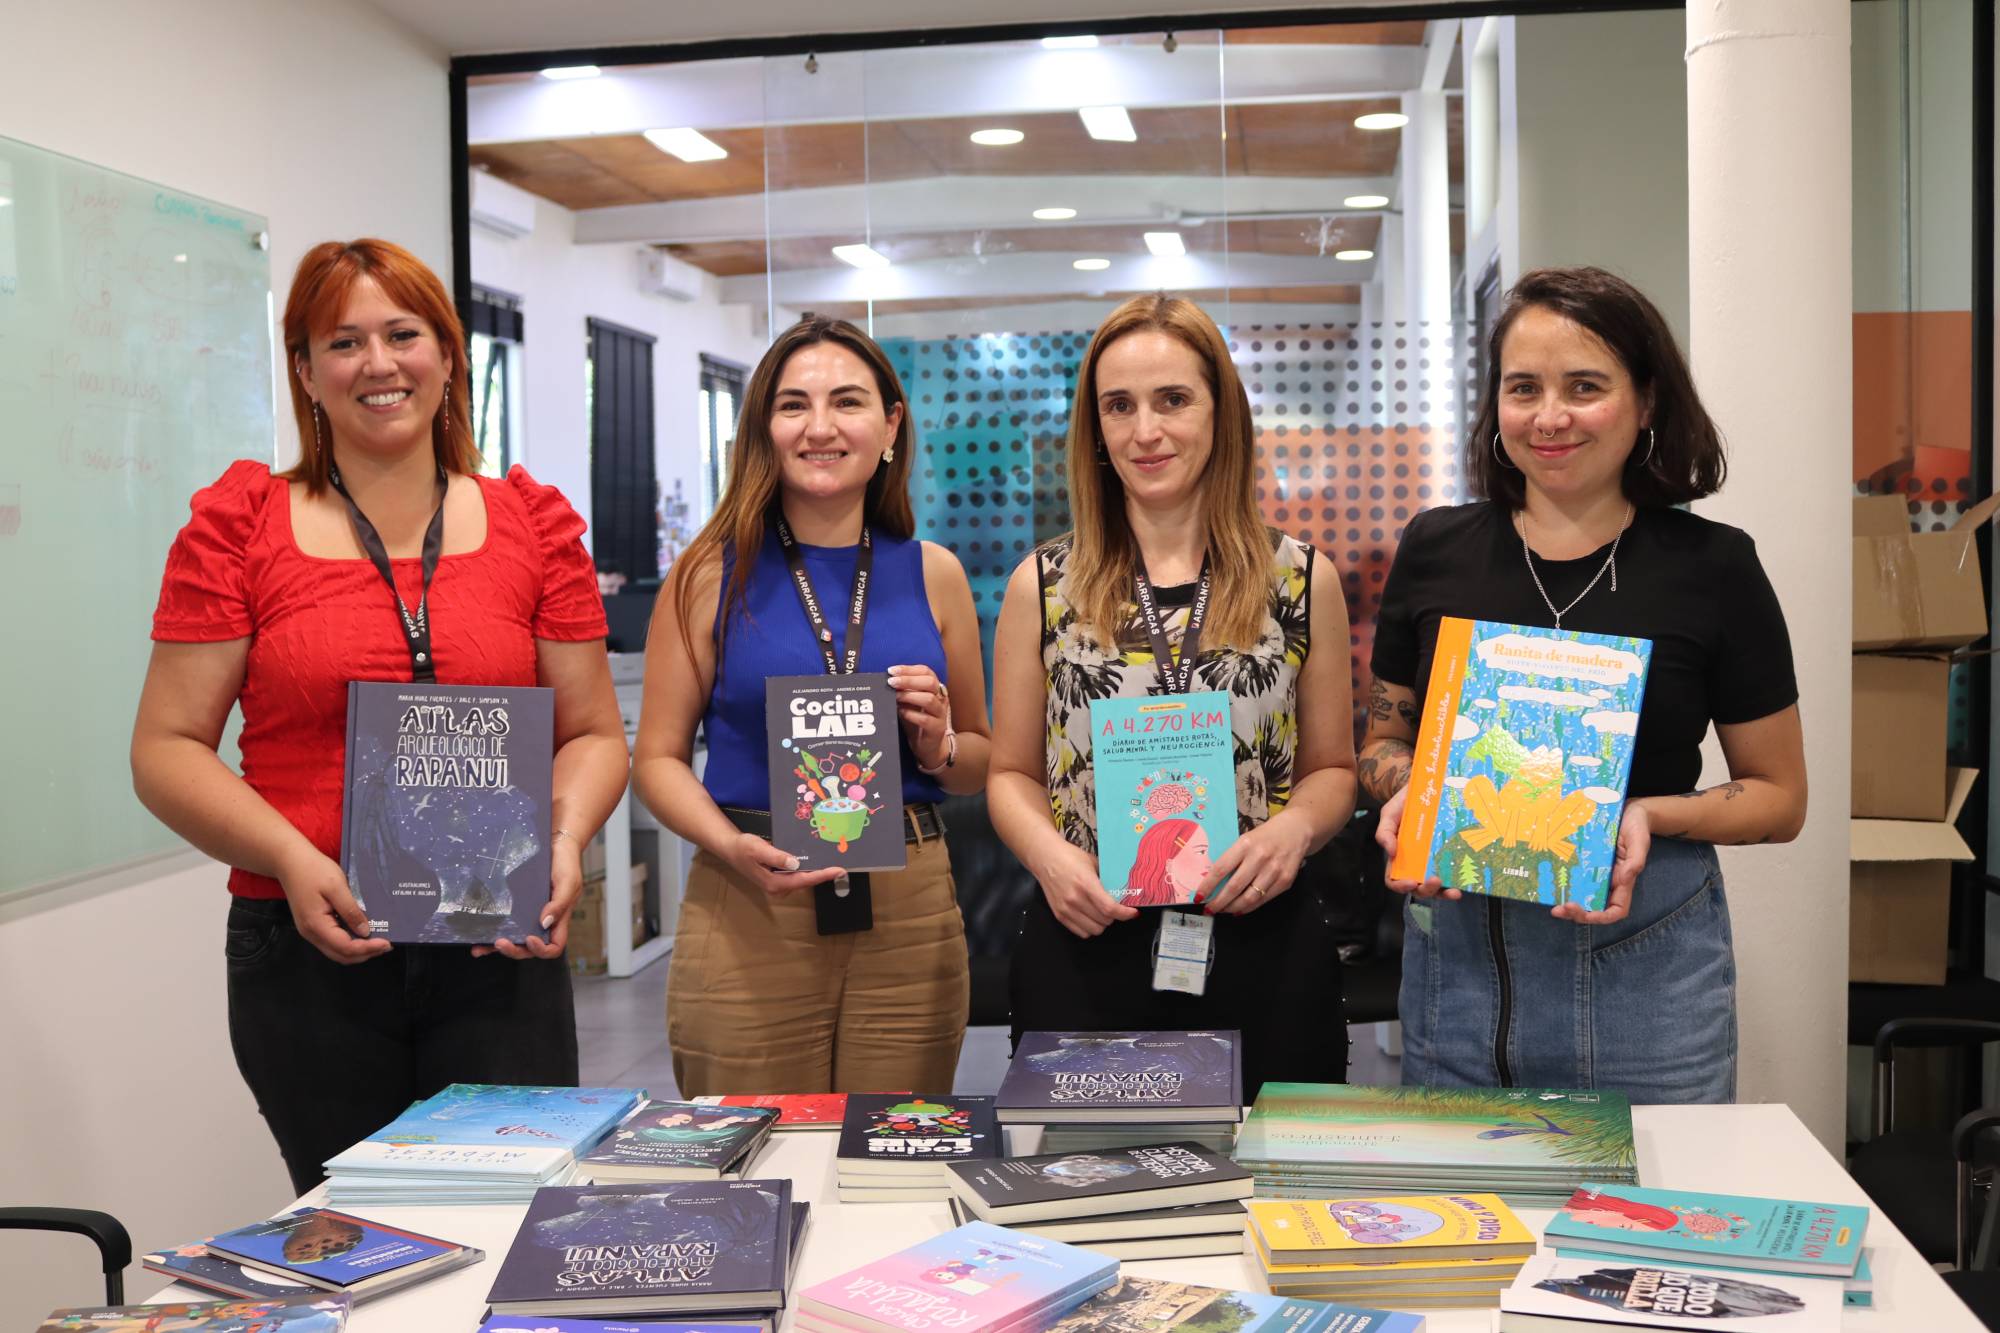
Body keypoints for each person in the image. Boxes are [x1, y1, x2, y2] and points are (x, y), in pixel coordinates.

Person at [132, 238, 629, 1194]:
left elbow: (594, 733)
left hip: (500, 941)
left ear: (446, 354)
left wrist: (563, 842)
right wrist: (290, 856)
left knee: (507, 1218)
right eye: (344, 341)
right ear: (306, 372)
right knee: (356, 1241)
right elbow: (164, 748)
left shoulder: (534, 524)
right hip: (306, 949)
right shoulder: (240, 526)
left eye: (403, 334)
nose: (379, 364)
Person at [1361, 266, 1807, 1105]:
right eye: (1523, 387)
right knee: (1467, 1225)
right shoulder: (1436, 548)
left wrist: (1645, 811)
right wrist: (1411, 791)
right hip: (1459, 971)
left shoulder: (1713, 567)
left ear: (1645, 403)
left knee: (1649, 1224)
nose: (1550, 416)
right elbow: (1384, 741)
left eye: (1585, 386)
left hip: (1645, 967)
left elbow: (1780, 797)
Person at [987, 293, 1358, 1097]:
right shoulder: (1043, 586)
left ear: (1222, 414)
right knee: (1081, 1199)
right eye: (1118, 406)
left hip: (1262, 940)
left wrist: (1294, 829)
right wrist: (1049, 857)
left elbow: (1334, 766)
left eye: (1173, 400)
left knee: (1269, 1199)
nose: (1144, 431)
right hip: (1089, 934)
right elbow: (1009, 772)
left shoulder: (1299, 579)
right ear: (1095, 428)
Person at [633, 314, 988, 1096]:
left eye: (848, 402)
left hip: (907, 910)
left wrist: (940, 747)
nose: (820, 426)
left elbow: (981, 764)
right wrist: (728, 845)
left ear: (891, 424)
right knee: (752, 1163)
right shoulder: (705, 575)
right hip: (750, 899)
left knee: (890, 1162)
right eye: (793, 404)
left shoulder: (935, 573)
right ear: (764, 427)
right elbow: (655, 760)